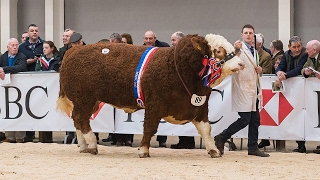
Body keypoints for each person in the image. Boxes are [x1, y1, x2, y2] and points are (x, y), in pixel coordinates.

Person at [214, 24, 270, 157]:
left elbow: (254, 69)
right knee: (245, 119)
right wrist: (237, 50)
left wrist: (260, 71)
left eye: (251, 33)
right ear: (242, 35)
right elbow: (228, 61)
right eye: (246, 33)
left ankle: (252, 147)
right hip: (242, 87)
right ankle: (222, 137)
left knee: (255, 119)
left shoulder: (255, 51)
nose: (249, 35)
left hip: (253, 89)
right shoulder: (238, 49)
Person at [275, 36, 308, 153]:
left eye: (299, 46)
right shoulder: (286, 55)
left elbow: (299, 69)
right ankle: (299, 144)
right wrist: (279, 72)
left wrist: (285, 75)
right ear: (289, 47)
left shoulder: (305, 54)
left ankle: (302, 144)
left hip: (303, 89)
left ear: (302, 45)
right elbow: (280, 66)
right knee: (293, 115)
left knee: (302, 115)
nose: (297, 49)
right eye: (294, 47)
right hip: (290, 89)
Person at [18, 24, 44, 142]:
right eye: (32, 31)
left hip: (42, 79)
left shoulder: (43, 44)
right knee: (28, 104)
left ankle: (44, 134)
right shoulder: (22, 47)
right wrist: (29, 61)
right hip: (27, 78)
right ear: (28, 33)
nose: (34, 32)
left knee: (41, 105)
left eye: (36, 31)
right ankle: (29, 133)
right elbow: (20, 61)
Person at [143, 30, 170, 147]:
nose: (148, 41)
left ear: (155, 38)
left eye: (150, 38)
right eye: (146, 39)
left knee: (162, 114)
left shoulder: (164, 47)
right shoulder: (140, 49)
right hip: (148, 84)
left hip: (162, 85)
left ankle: (162, 140)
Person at [169, 31, 195, 149]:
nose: (172, 43)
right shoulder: (175, 52)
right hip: (179, 87)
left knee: (185, 114)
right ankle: (184, 140)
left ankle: (188, 141)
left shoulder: (188, 52)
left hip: (186, 88)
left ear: (180, 40)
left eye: (174, 40)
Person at [0, 38, 27, 143]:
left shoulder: (22, 56)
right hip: (5, 87)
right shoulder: (2, 57)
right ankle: (9, 136)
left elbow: (21, 67)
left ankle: (20, 137)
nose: (15, 47)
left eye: (16, 45)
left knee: (20, 110)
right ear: (8, 47)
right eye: (12, 45)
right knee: (7, 110)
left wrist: (4, 69)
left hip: (20, 87)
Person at [301, 40, 320, 154]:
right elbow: (304, 68)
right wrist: (306, 72)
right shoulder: (309, 58)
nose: (306, 51)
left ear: (314, 50)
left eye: (307, 49)